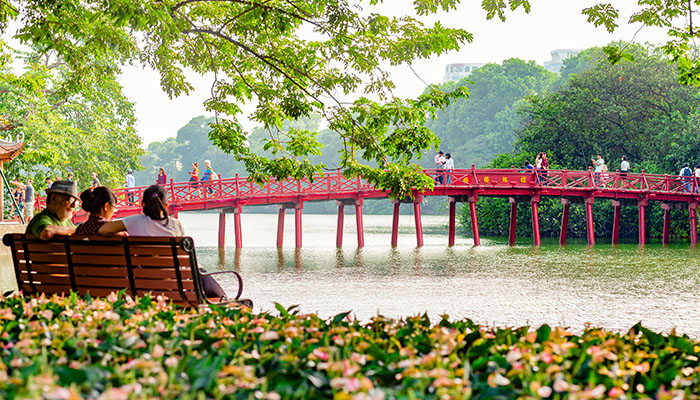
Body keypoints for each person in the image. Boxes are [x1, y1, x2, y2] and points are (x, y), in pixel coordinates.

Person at [98, 185, 226, 298]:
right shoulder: (175, 225)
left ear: (142, 205)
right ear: (166, 205)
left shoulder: (133, 221)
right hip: (176, 283)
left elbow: (103, 230)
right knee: (203, 275)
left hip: (145, 280)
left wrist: (124, 234)